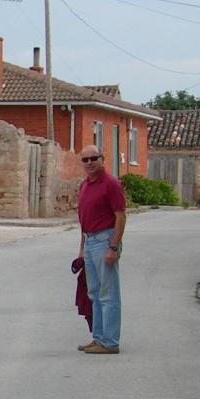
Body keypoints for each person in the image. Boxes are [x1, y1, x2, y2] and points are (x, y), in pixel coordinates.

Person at [76, 144, 126, 355]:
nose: (89, 163)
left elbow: (120, 216)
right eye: (85, 160)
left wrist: (113, 247)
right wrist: (81, 249)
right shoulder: (84, 185)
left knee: (108, 294)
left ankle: (111, 341)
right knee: (94, 293)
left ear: (102, 158)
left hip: (105, 239)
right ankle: (98, 338)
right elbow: (83, 219)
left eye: (93, 158)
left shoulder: (111, 184)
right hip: (90, 241)